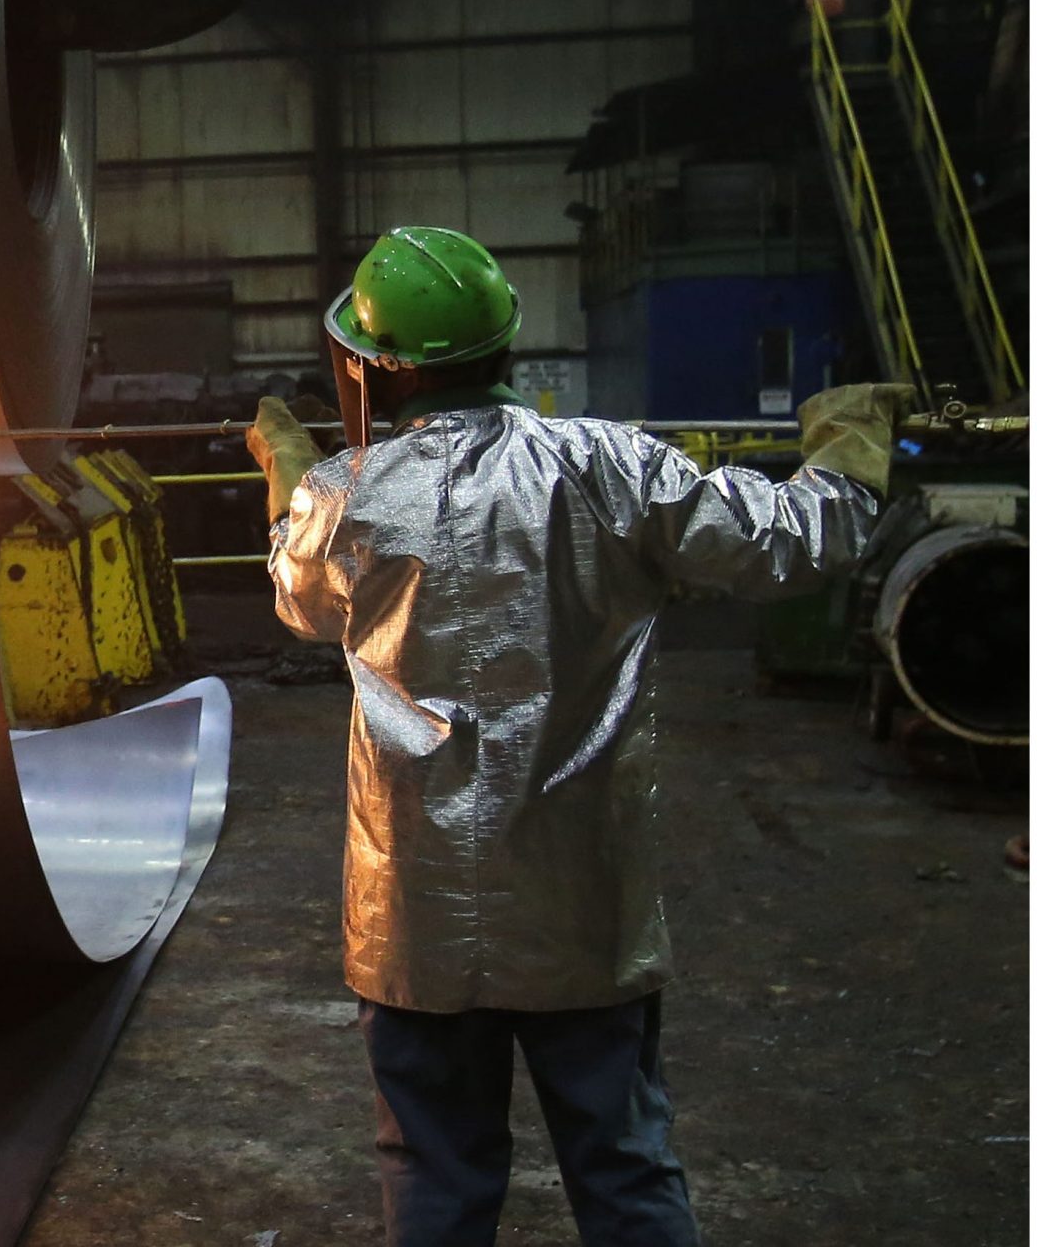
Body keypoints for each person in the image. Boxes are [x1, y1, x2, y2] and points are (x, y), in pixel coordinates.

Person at [243, 226, 902, 1247]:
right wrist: (849, 452)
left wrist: (292, 475)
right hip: (579, 906)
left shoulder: (345, 494)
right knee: (624, 1166)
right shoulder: (605, 466)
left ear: (375, 367)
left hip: (413, 916)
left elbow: (300, 596)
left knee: (432, 1175)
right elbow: (791, 540)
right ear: (503, 347)